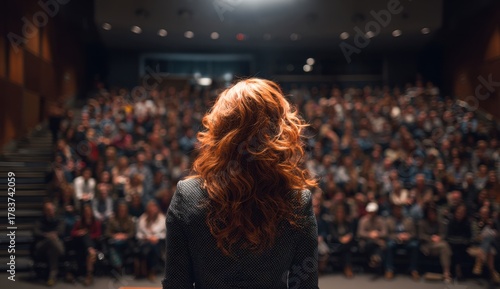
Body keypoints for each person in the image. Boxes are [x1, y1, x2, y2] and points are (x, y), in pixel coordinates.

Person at [162, 79, 318, 289]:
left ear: (220, 131)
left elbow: (175, 284)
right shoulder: (298, 201)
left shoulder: (188, 195)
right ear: (280, 131)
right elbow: (306, 286)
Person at [32, 201, 65, 286]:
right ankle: (61, 251)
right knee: (51, 241)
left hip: (54, 245)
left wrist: (55, 234)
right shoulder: (40, 220)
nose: (51, 211)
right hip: (42, 245)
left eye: (52, 209)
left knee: (52, 250)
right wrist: (47, 235)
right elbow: (36, 232)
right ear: (45, 211)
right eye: (48, 210)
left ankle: (52, 277)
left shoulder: (59, 220)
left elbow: (61, 230)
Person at [385, 204, 419, 281]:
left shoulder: (409, 220)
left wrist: (407, 236)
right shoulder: (389, 220)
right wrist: (397, 236)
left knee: (415, 245)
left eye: (399, 210)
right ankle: (389, 269)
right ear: (393, 211)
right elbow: (387, 234)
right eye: (396, 210)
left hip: (407, 241)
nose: (398, 211)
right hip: (395, 241)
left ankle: (413, 270)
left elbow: (414, 233)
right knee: (389, 245)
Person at [419, 206, 452, 283]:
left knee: (444, 247)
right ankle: (447, 273)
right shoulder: (423, 222)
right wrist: (431, 238)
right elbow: (421, 236)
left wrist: (439, 238)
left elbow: (443, 234)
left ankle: (446, 272)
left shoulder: (439, 222)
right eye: (430, 214)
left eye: (433, 214)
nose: (432, 215)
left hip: (438, 244)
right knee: (445, 246)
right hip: (427, 246)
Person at [71, 204, 102, 286]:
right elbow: (73, 233)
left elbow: (98, 234)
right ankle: (91, 250)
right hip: (80, 244)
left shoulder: (96, 222)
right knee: (85, 237)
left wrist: (87, 234)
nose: (88, 213)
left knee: (86, 238)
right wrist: (79, 232)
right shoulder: (79, 222)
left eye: (89, 212)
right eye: (86, 212)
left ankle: (89, 275)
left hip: (93, 242)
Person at [136, 200, 166, 281]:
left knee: (153, 247)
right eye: (150, 208)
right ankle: (151, 271)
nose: (152, 209)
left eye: (154, 207)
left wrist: (156, 237)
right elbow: (138, 234)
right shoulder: (143, 218)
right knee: (150, 247)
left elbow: (165, 233)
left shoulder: (162, 218)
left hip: (158, 241)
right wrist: (148, 237)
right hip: (145, 241)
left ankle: (149, 270)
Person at [106, 201, 135, 275]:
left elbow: (132, 232)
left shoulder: (130, 219)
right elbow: (107, 232)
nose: (122, 212)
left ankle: (120, 267)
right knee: (112, 246)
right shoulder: (112, 220)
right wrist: (115, 236)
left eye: (124, 210)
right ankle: (118, 266)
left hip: (126, 241)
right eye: (120, 210)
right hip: (115, 240)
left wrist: (125, 236)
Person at [357, 202, 387, 270]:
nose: (371, 213)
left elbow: (385, 232)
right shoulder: (363, 220)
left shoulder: (381, 220)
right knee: (373, 244)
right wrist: (369, 234)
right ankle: (376, 258)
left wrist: (377, 234)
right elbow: (360, 233)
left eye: (373, 212)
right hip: (366, 242)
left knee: (380, 245)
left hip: (378, 241)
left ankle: (375, 259)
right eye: (370, 212)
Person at [445, 203, 471, 280]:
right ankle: (458, 270)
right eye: (459, 212)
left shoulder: (467, 223)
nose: (460, 214)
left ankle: (457, 269)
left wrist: (461, 240)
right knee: (456, 249)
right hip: (452, 244)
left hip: (463, 246)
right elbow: (448, 237)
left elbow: (468, 238)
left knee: (460, 249)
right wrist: (460, 240)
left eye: (462, 212)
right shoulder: (451, 222)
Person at [330, 204, 355, 278]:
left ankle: (347, 267)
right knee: (346, 247)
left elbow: (351, 233)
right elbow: (333, 235)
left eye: (341, 212)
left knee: (346, 247)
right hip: (336, 243)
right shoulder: (332, 223)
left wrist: (348, 237)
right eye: (338, 212)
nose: (340, 214)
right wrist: (340, 239)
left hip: (346, 243)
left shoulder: (348, 222)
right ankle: (347, 267)